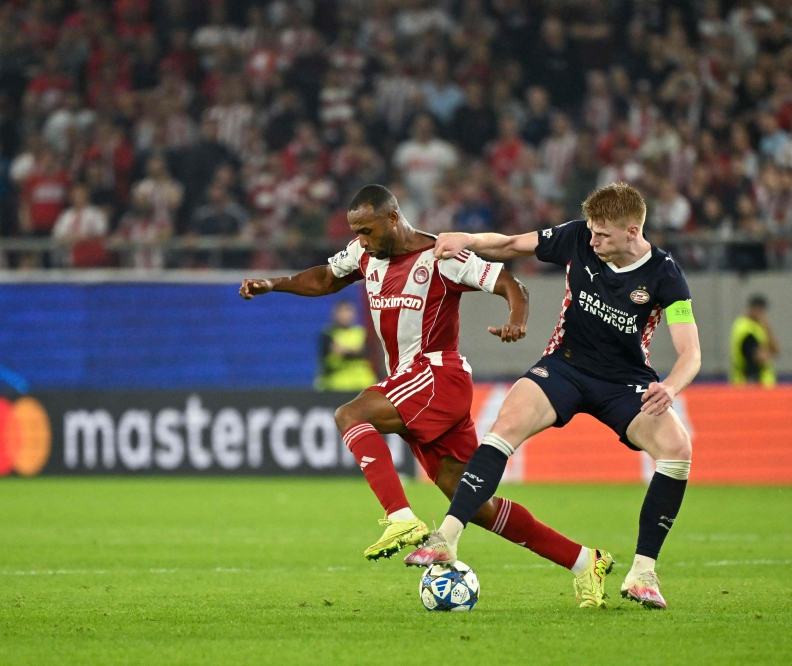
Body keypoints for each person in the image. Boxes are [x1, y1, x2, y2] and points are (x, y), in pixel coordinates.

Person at [240, 184, 608, 608]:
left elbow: (511, 284)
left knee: (350, 414)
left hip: (437, 374)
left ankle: (399, 518)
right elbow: (325, 277)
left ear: (393, 218)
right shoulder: (365, 255)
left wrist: (517, 320)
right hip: (411, 382)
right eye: (356, 232)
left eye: (368, 231)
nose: (361, 241)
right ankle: (585, 561)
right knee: (474, 502)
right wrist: (274, 283)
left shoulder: (441, 256)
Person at [405, 183, 701, 612]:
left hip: (624, 382)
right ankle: (446, 538)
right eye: (592, 232)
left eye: (603, 235)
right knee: (505, 425)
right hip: (565, 366)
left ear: (632, 231)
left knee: (678, 449)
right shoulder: (579, 236)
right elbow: (510, 244)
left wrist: (669, 387)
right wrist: (466, 240)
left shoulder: (665, 274)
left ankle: (642, 573)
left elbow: (691, 352)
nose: (593, 240)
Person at [317, 301, 377, 391]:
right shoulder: (328, 334)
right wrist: (354, 350)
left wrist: (344, 351)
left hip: (363, 382)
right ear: (335, 314)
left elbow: (366, 352)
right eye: (342, 311)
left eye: (348, 311)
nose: (345, 315)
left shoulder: (361, 333)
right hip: (337, 383)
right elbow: (327, 355)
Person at [729, 295, 778, 386]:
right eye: (758, 309)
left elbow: (776, 350)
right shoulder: (744, 328)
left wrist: (767, 327)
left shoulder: (759, 326)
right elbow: (761, 357)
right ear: (750, 308)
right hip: (749, 383)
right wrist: (769, 352)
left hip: (763, 384)